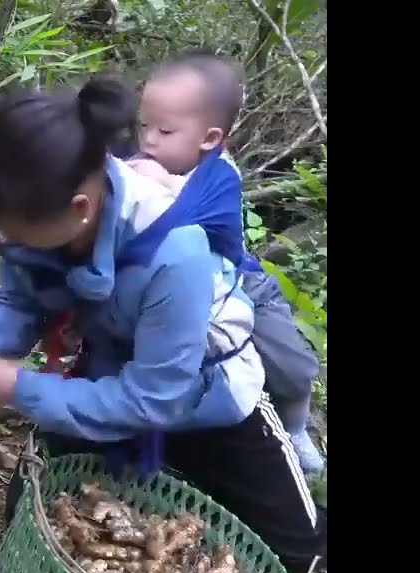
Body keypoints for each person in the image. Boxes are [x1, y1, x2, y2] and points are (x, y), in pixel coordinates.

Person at [0, 75, 326, 573]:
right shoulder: (34, 220)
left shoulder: (173, 252)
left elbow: (154, 398)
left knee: (302, 559)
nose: (7, 242)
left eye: (18, 234)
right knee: (31, 511)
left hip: (208, 398)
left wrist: (20, 386)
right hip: (112, 368)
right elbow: (24, 306)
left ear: (80, 210)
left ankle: (201, 475)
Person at [115, 50, 325, 476]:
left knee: (291, 366)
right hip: (181, 289)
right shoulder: (145, 159)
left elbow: (174, 228)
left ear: (209, 138)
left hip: (241, 284)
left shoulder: (219, 176)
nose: (149, 141)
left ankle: (296, 427)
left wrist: (155, 184)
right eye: (144, 126)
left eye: (165, 131)